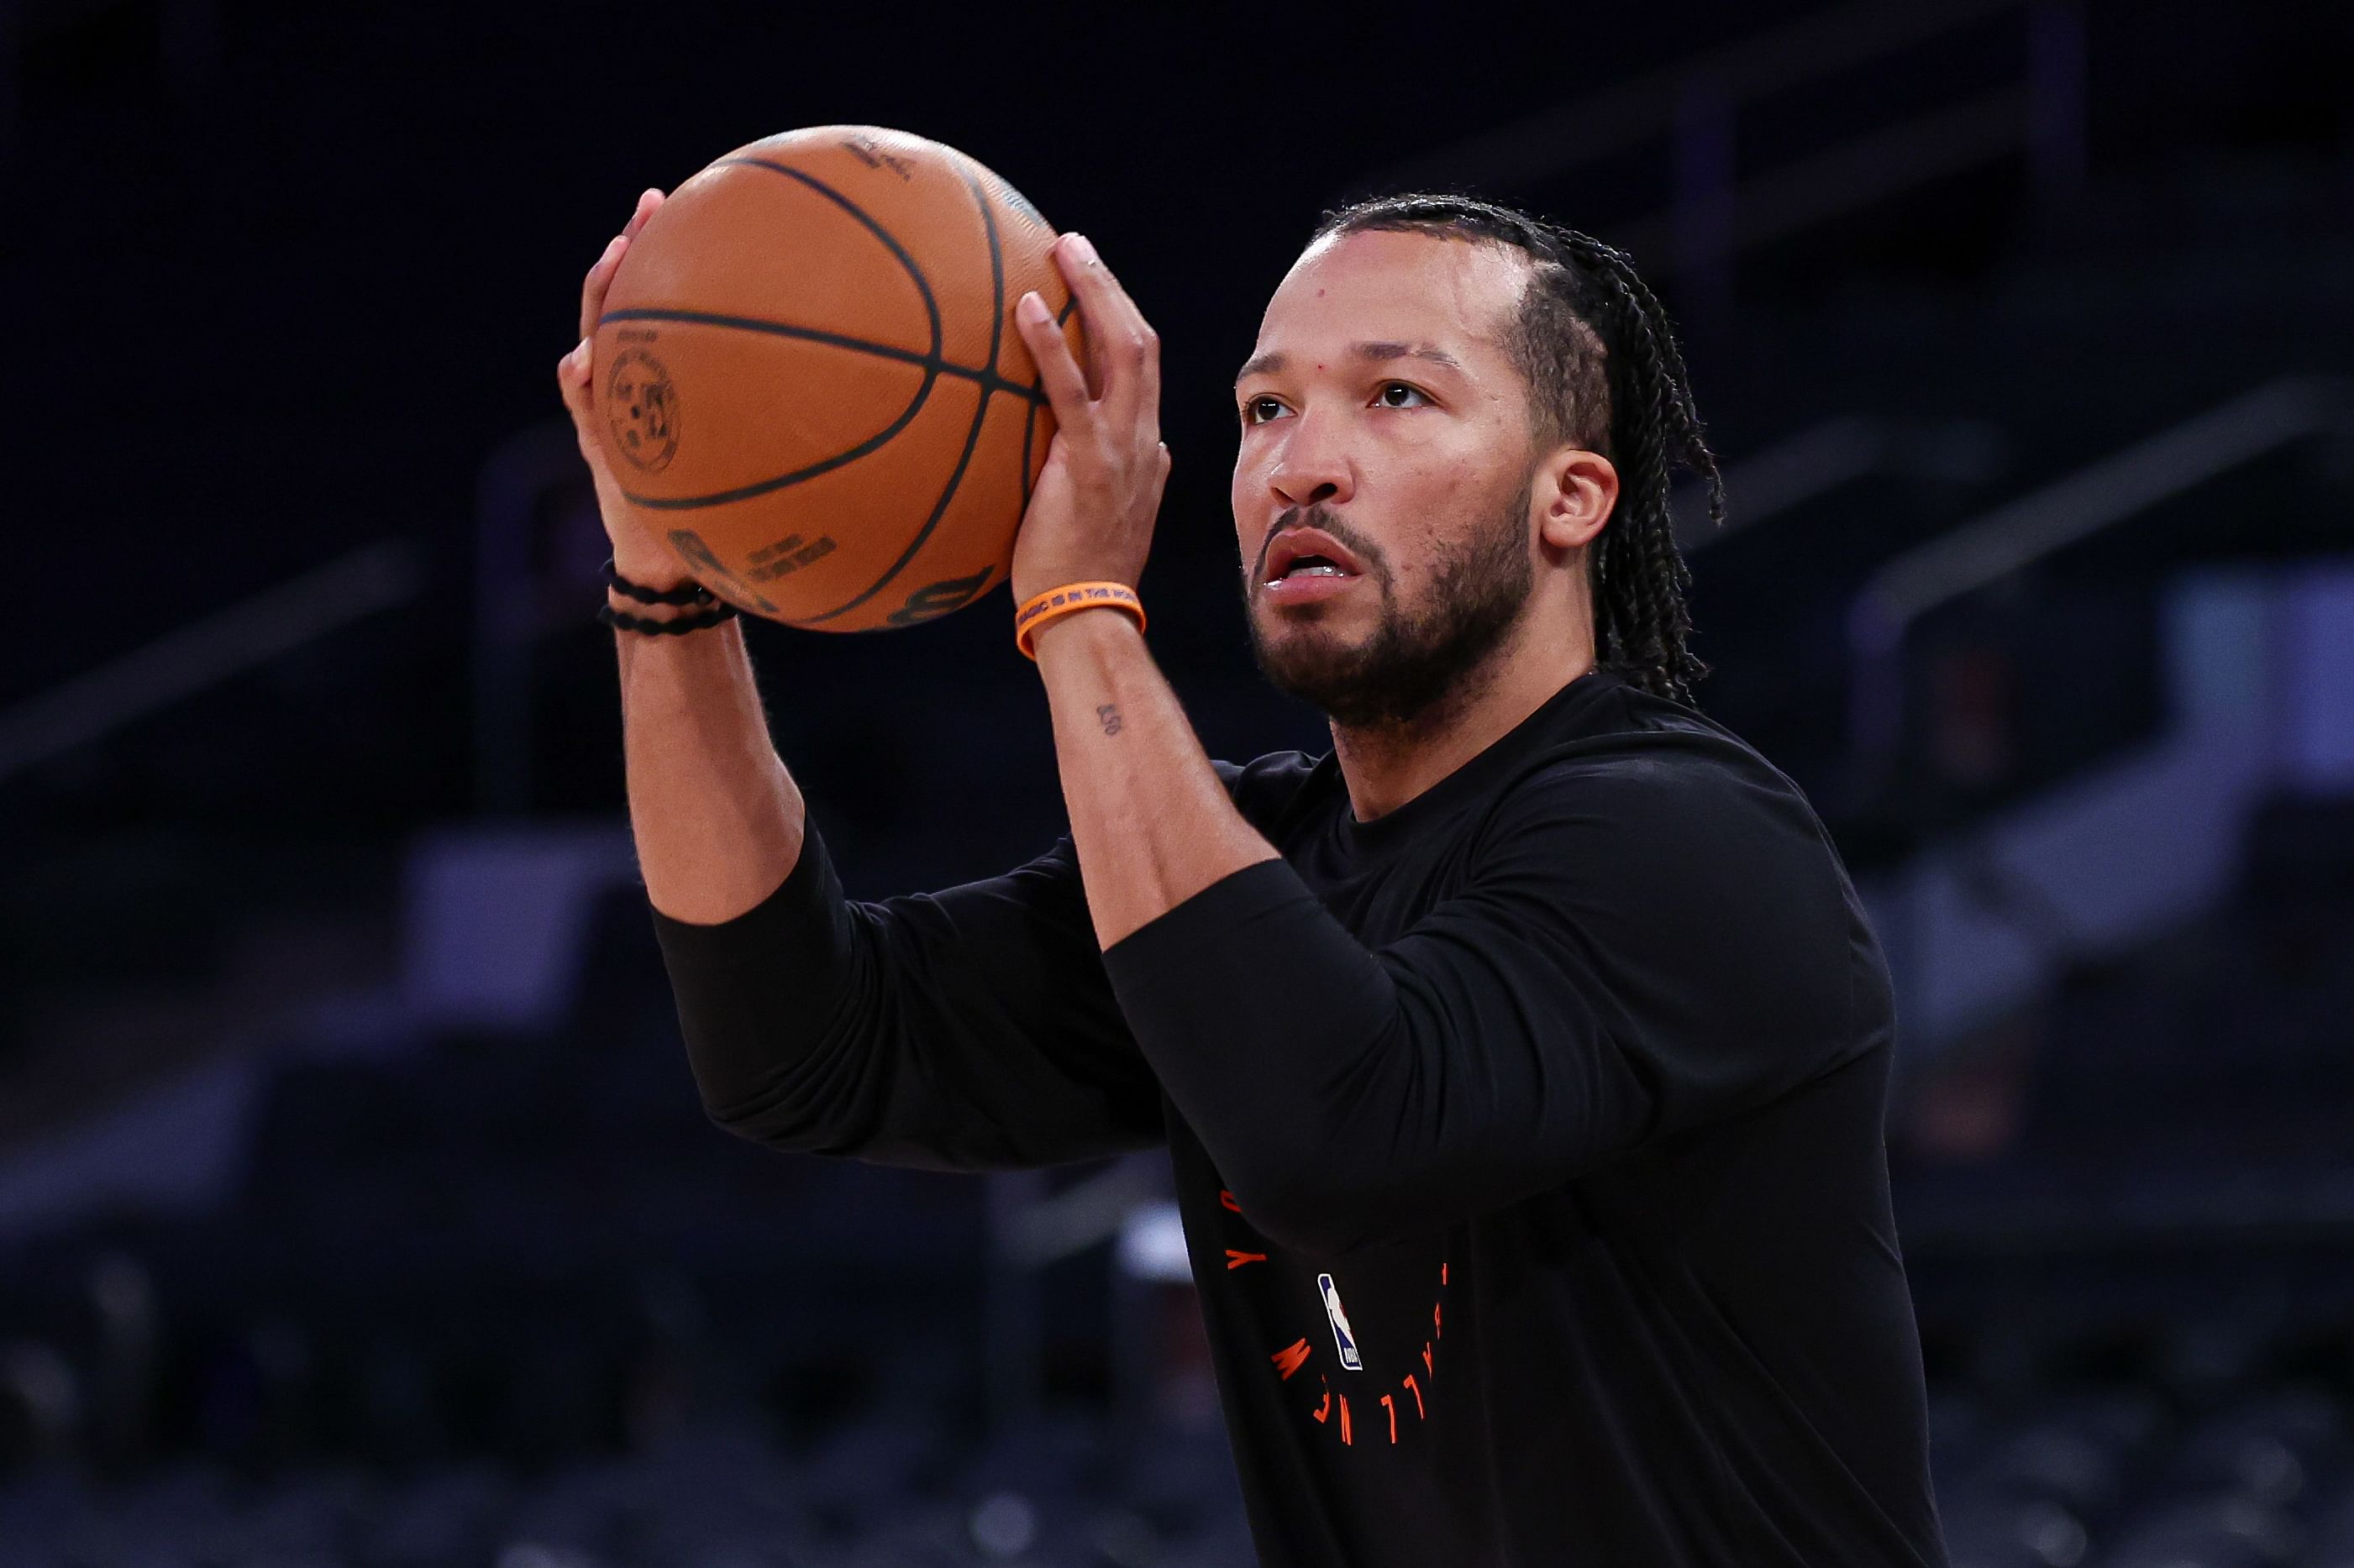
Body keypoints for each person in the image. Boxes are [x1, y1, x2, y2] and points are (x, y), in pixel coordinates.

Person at [556, 187, 1949, 1567]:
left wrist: (1080, 611)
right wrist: (664, 586)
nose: (1299, 465)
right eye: (1264, 411)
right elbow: (799, 1052)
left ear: (1570, 498)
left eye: (1396, 396)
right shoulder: (1252, 855)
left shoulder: (1689, 836)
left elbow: (1332, 1132)